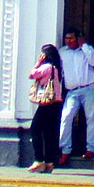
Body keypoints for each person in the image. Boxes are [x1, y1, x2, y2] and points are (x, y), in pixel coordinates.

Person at [56, 27, 94, 166]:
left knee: (91, 118)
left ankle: (91, 148)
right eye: (67, 38)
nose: (68, 41)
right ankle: (65, 149)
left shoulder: (86, 50)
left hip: (89, 88)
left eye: (71, 38)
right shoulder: (62, 52)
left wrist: (84, 46)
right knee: (66, 117)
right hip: (72, 91)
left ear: (77, 38)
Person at [27, 43, 65, 173]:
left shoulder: (47, 67)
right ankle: (49, 161)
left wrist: (38, 63)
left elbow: (32, 75)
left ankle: (38, 160)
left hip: (46, 103)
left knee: (35, 129)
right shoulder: (57, 67)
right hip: (56, 102)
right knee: (49, 132)